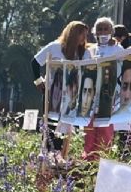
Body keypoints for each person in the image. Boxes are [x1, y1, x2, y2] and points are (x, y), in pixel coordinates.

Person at [33, 21, 89, 153]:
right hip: (52, 94)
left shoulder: (83, 53)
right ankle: (48, 159)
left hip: (72, 97)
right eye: (82, 35)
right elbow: (35, 62)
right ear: (74, 34)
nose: (84, 39)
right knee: (51, 128)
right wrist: (38, 81)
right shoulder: (54, 47)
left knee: (66, 131)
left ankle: (62, 161)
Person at [84, 17, 124, 160]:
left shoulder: (118, 49)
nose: (102, 32)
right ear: (95, 32)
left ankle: (101, 166)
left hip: (109, 98)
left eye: (105, 29)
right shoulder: (89, 50)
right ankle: (86, 165)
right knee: (88, 134)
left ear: (111, 31)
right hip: (90, 98)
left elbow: (123, 70)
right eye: (99, 29)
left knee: (105, 135)